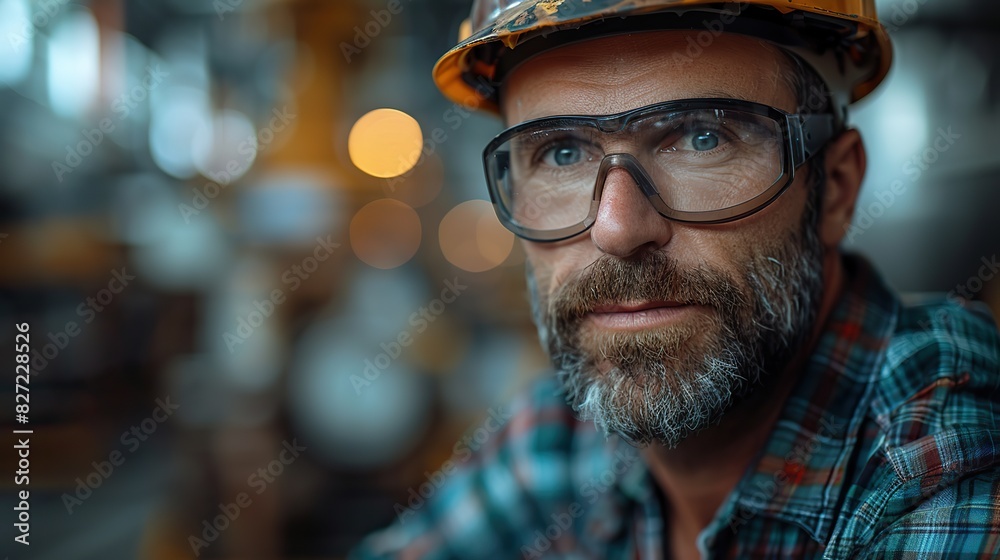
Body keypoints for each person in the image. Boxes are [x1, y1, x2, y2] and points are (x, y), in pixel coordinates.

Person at [351, 1, 1000, 557]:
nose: (616, 228)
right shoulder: (562, 440)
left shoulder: (946, 467)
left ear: (833, 187)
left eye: (701, 138)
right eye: (562, 152)